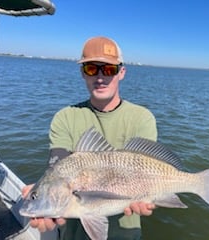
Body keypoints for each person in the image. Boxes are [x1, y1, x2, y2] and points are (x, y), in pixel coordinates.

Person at [22, 36, 157, 239]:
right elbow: (58, 167)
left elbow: (150, 168)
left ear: (122, 72)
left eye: (109, 69)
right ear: (82, 73)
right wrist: (41, 196)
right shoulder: (65, 117)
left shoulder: (142, 117)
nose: (100, 77)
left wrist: (151, 196)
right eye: (92, 69)